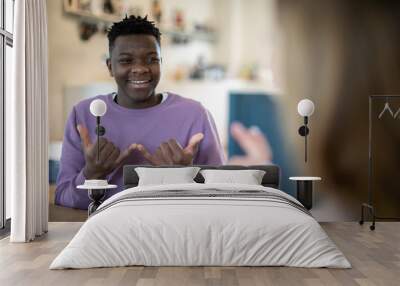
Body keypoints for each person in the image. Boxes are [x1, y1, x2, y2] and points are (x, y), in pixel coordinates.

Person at [55, 15, 225, 210]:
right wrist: (92, 173)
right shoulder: (83, 114)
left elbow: (221, 196)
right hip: (107, 235)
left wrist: (183, 178)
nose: (141, 69)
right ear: (111, 67)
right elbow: (63, 196)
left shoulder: (196, 115)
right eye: (126, 60)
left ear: (161, 62)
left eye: (151, 59)